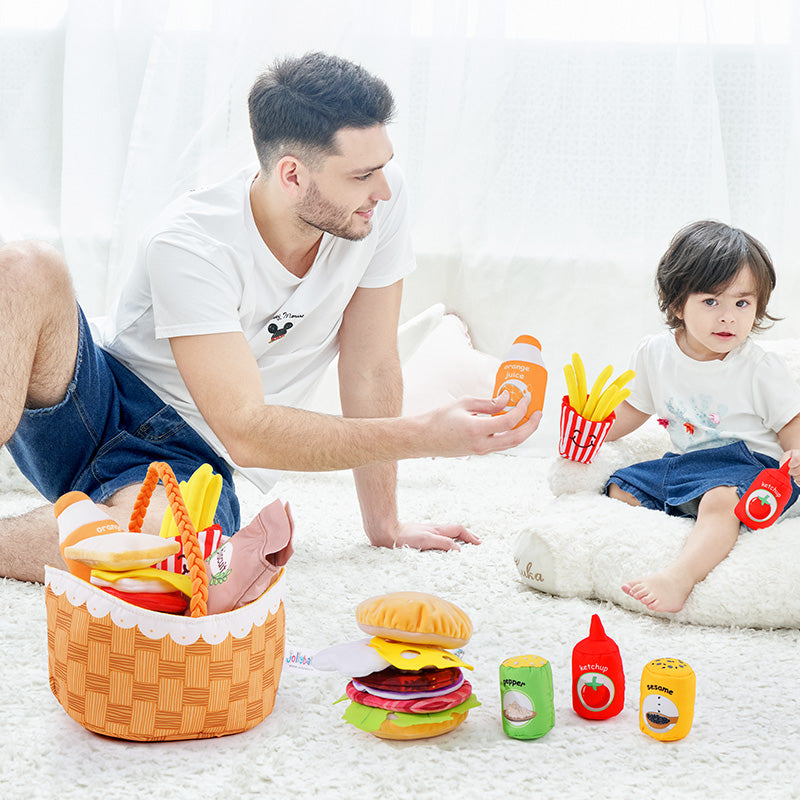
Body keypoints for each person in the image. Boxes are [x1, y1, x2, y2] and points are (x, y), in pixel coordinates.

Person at [0, 52, 540, 583]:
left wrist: (385, 523)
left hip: (190, 455)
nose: (382, 188)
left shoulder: (379, 206)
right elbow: (247, 431)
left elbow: (370, 364)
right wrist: (425, 434)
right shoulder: (193, 243)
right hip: (96, 396)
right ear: (291, 175)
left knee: (169, 549)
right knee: (26, 266)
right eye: (362, 174)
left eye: (383, 166)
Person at [604, 220, 800, 613]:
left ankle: (682, 575)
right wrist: (593, 430)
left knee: (721, 499)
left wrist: (796, 456)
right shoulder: (655, 354)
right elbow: (633, 408)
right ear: (678, 303)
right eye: (711, 301)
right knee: (621, 485)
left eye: (742, 303)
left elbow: (792, 425)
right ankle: (701, 523)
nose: (728, 317)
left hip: (756, 469)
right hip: (692, 463)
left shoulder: (760, 368)